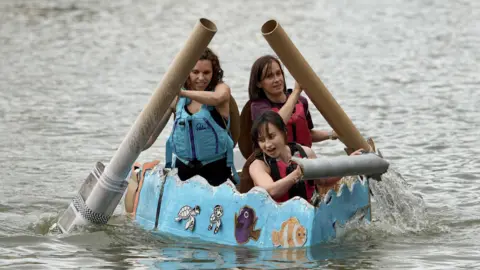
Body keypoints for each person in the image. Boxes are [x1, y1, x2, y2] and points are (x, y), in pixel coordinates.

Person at [244, 111, 362, 203]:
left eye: (271, 136)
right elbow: (271, 191)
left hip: (307, 213)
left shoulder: (305, 153)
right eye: (261, 140)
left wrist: (349, 163)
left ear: (284, 132)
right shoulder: (257, 166)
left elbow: (323, 180)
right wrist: (297, 173)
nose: (268, 145)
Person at [165, 47, 238, 186]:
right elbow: (153, 128)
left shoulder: (221, 89)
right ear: (187, 72)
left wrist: (183, 93)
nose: (201, 77)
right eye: (195, 72)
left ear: (214, 72)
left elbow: (217, 98)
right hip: (183, 168)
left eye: (206, 72)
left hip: (216, 168)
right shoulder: (177, 99)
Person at [248, 55, 337, 148]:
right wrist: (297, 91)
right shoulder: (257, 107)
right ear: (258, 83)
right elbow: (276, 124)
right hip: (276, 159)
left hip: (304, 158)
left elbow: (308, 133)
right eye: (269, 76)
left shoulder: (302, 101)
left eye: (279, 73)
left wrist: (331, 134)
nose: (277, 79)